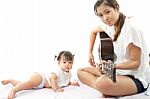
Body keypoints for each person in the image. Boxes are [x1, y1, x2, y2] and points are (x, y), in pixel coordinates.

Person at [77, 0, 150, 97]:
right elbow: (93, 31)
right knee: (81, 71)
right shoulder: (110, 25)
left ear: (117, 8)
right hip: (119, 73)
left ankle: (108, 88)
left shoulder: (130, 28)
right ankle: (110, 90)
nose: (105, 18)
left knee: (102, 82)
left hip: (136, 78)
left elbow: (135, 63)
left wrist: (113, 66)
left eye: (107, 12)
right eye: (100, 15)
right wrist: (90, 53)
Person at [1, 51, 79, 99]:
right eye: (64, 62)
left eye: (70, 62)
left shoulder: (69, 73)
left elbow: (64, 81)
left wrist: (71, 83)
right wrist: (56, 89)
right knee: (29, 83)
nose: (67, 64)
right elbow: (53, 79)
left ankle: (11, 81)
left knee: (25, 85)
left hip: (41, 85)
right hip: (41, 78)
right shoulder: (57, 71)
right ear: (59, 63)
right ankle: (13, 91)